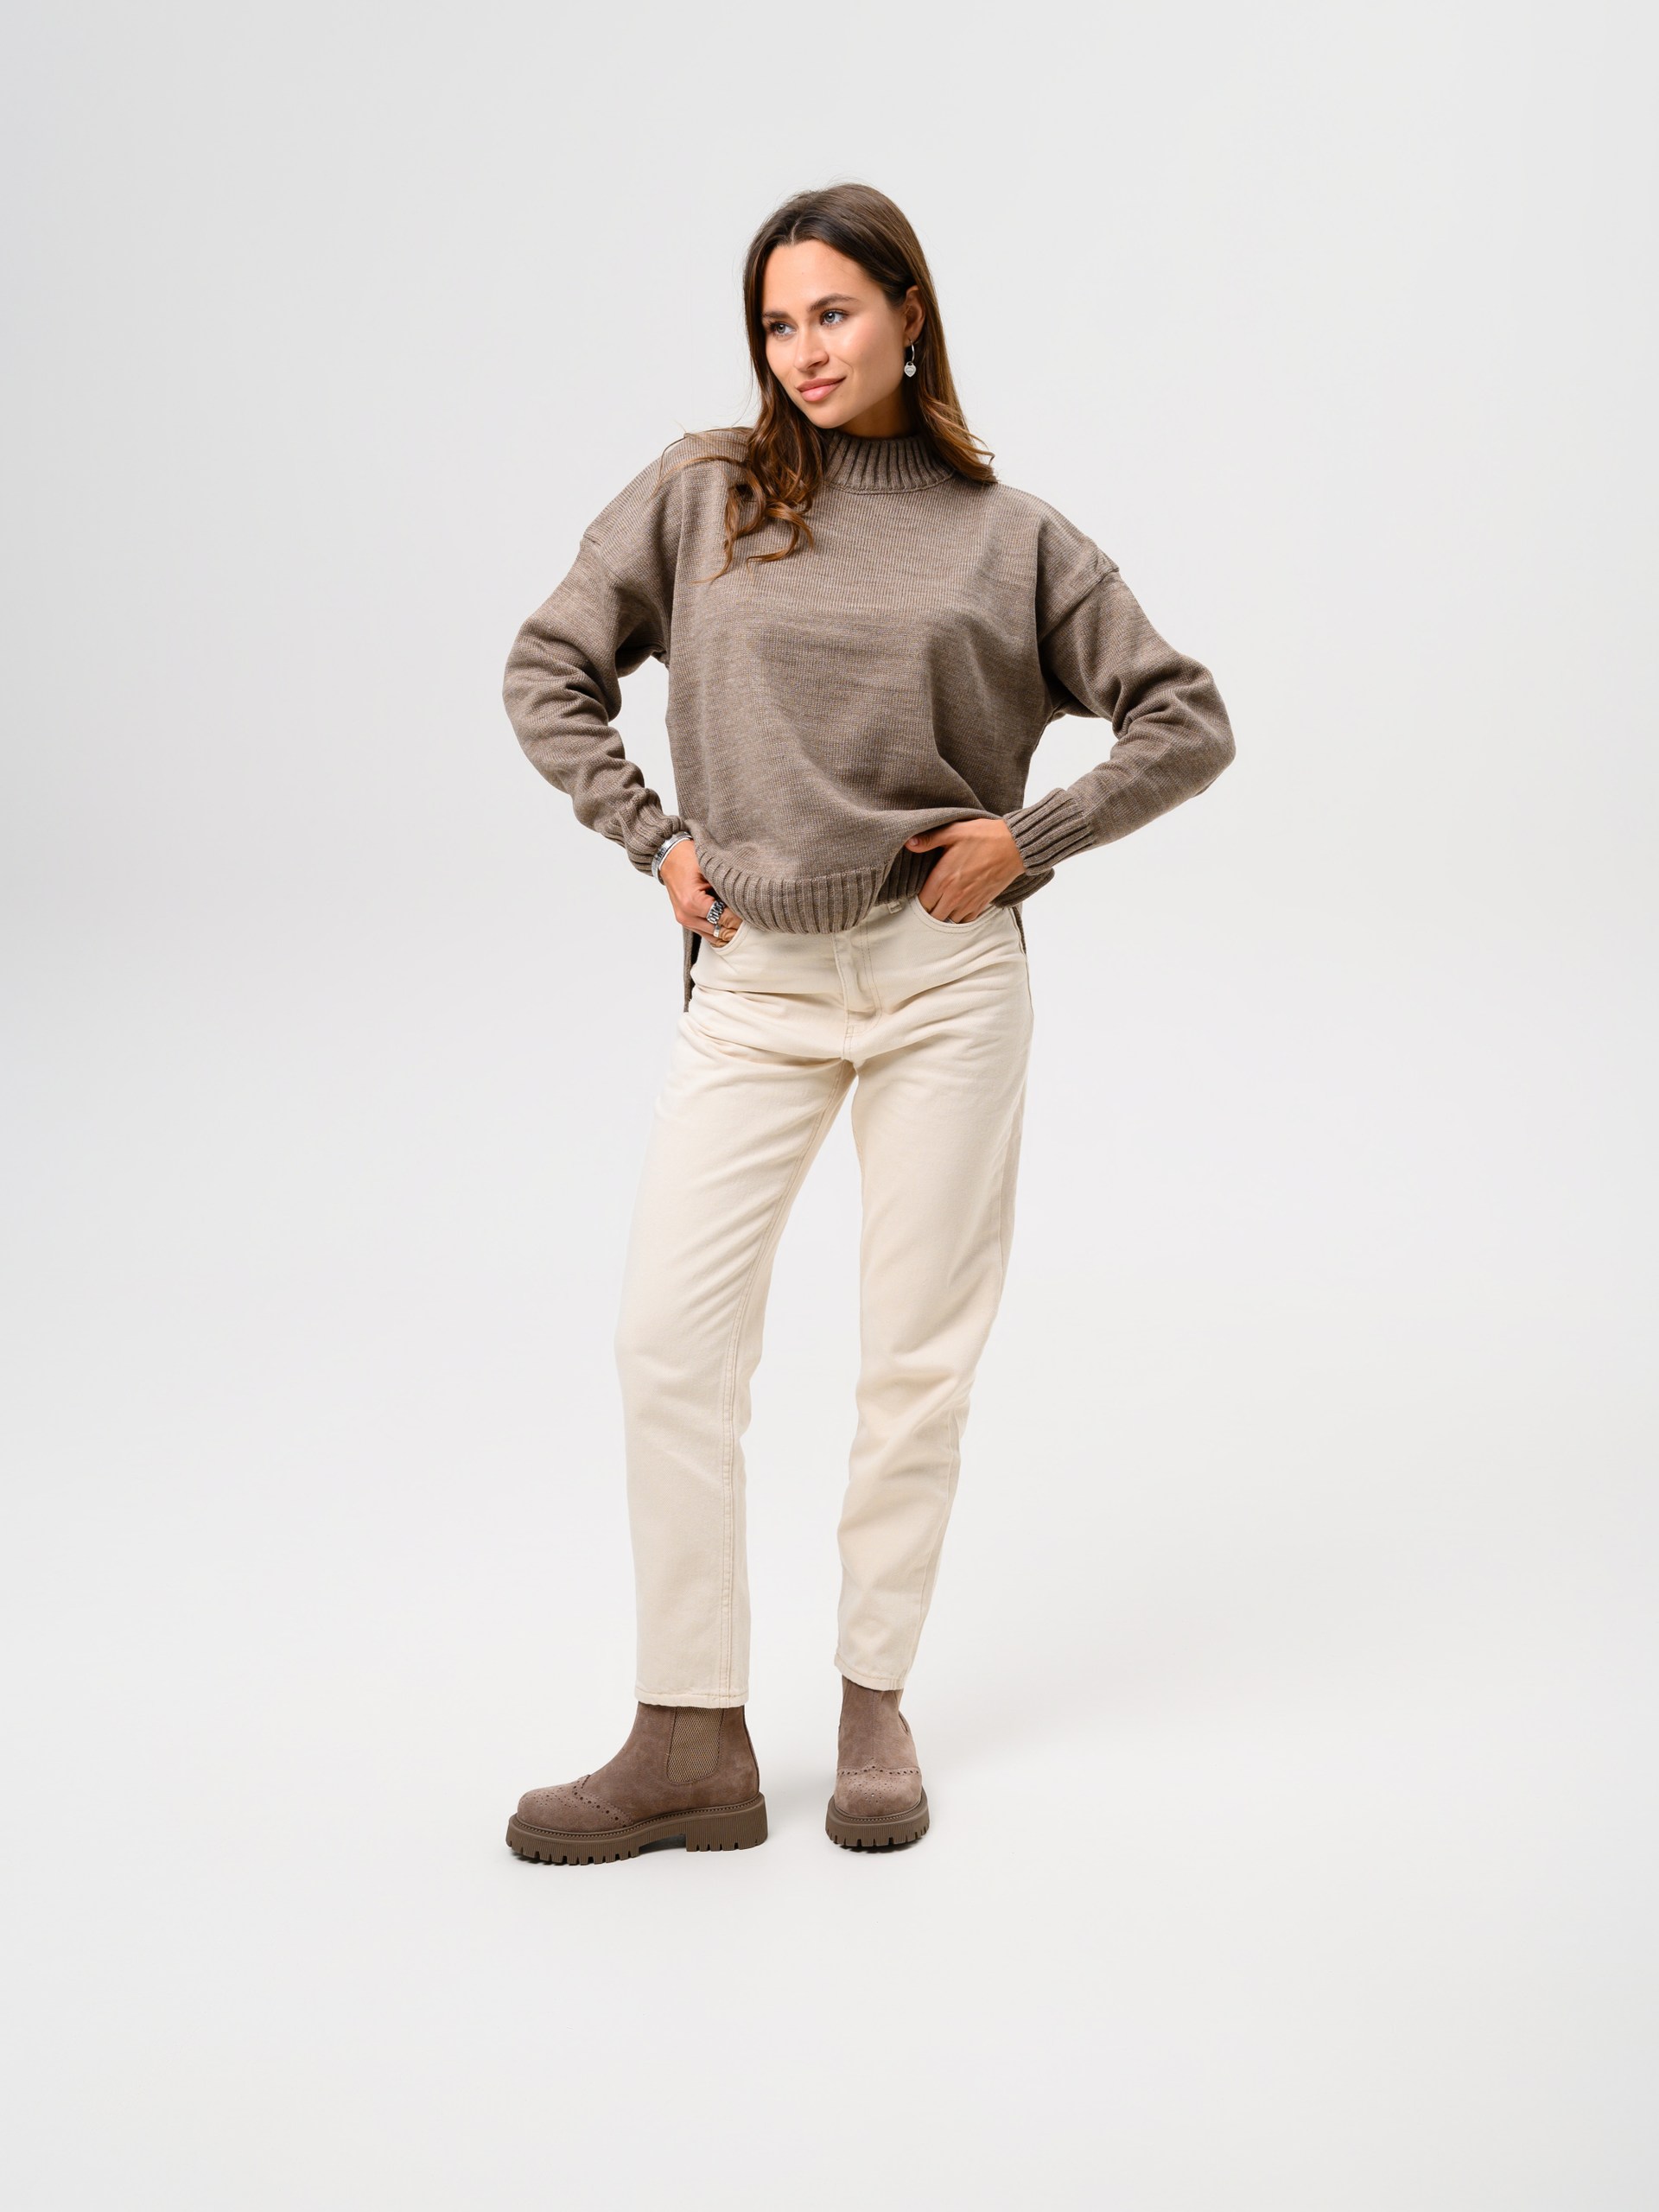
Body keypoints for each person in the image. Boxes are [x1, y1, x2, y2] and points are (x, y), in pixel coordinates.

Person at [499, 181, 1235, 1864]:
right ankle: (689, 1732)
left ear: (910, 312)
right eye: (777, 324)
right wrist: (654, 838)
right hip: (756, 978)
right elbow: (550, 666)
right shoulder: (702, 492)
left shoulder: (1012, 537)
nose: (804, 351)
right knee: (668, 1342)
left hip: (941, 978)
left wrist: (1029, 837)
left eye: (833, 312)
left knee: (914, 1355)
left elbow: (1183, 717)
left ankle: (873, 1704)